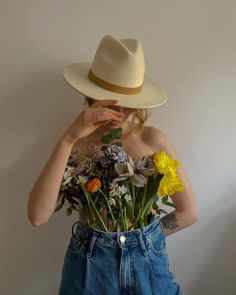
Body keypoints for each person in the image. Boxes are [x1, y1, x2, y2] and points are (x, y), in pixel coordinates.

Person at [27, 34, 198, 294]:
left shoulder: (152, 139)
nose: (119, 112)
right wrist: (69, 139)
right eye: (109, 101)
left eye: (128, 104)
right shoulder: (76, 144)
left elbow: (188, 213)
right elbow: (37, 216)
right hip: (90, 268)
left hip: (147, 266)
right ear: (92, 96)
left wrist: (142, 238)